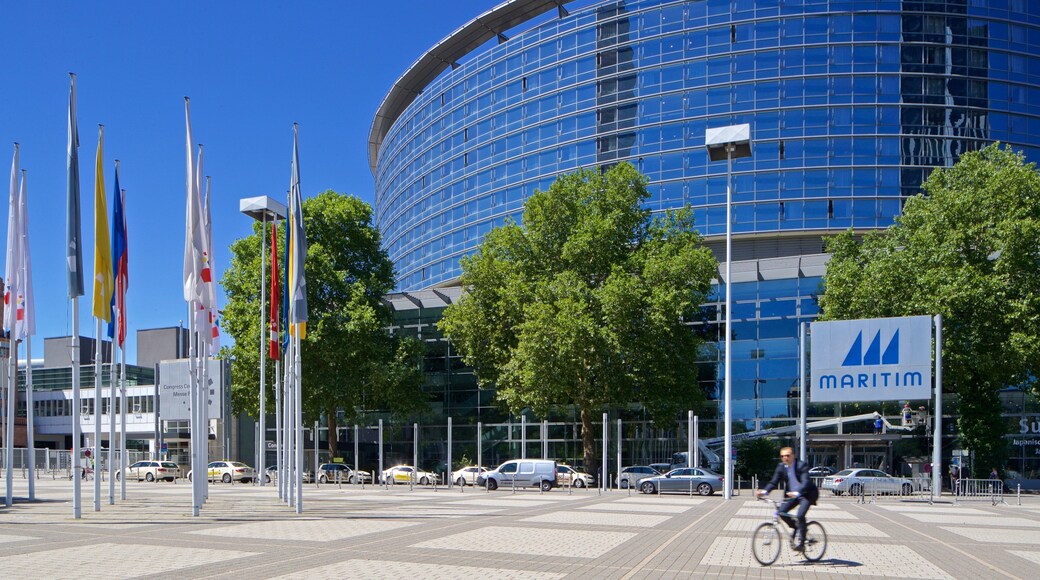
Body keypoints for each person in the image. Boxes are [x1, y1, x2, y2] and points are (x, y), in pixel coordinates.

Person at [756, 447, 819, 552]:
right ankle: (796, 527)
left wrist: (797, 492)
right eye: (782, 456)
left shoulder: (801, 465)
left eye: (788, 455)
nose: (785, 458)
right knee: (781, 512)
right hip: (791, 495)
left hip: (806, 494)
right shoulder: (781, 467)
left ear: (793, 456)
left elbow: (805, 482)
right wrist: (764, 492)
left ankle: (802, 543)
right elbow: (773, 482)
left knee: (800, 515)